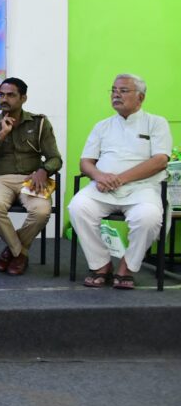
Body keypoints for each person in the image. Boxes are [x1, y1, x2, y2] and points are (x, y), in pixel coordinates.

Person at [68, 74, 170, 290]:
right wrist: (99, 176)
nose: (116, 94)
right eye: (114, 90)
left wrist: (120, 179)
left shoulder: (156, 123)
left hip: (142, 189)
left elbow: (160, 160)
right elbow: (85, 162)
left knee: (148, 218)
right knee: (78, 207)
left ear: (140, 97)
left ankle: (127, 266)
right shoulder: (102, 126)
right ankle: (101, 264)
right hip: (103, 188)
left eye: (123, 91)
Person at [0, 77, 62, 275]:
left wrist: (44, 170)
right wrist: (1, 135)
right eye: (2, 95)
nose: (4, 99)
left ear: (23, 98)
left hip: (31, 179)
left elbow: (55, 158)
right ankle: (20, 253)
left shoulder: (39, 123)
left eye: (11, 95)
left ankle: (11, 250)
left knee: (42, 212)